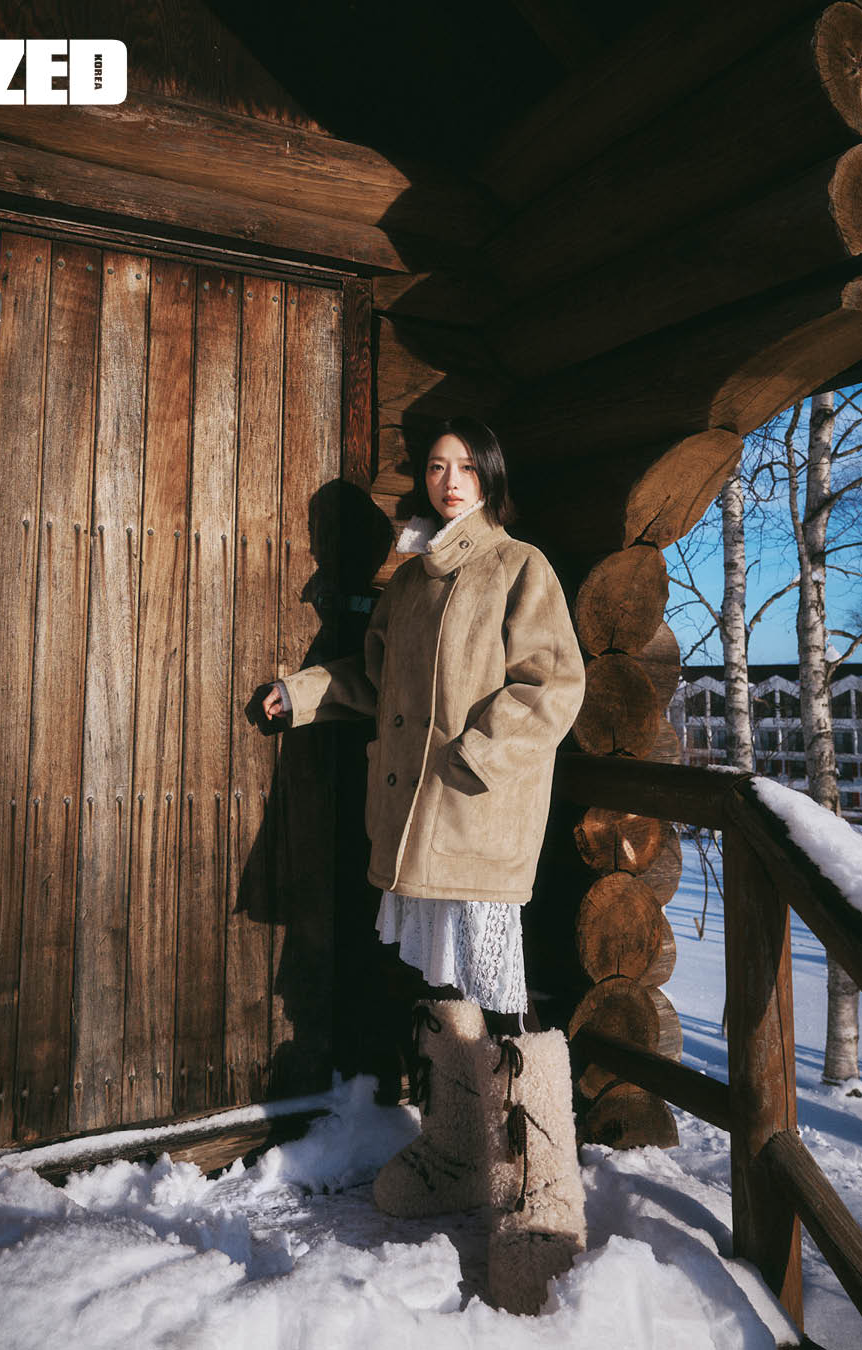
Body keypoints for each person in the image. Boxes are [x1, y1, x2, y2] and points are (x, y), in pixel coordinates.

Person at [258, 416, 587, 1314]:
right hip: (412, 820)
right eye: (435, 467)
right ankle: (458, 1153)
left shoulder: (520, 566)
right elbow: (372, 684)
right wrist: (305, 691)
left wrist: (478, 753)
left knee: (501, 988)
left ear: (489, 473)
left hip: (475, 813)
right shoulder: (408, 582)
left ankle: (541, 1193)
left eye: (465, 465)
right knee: (444, 987)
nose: (449, 479)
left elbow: (554, 683)